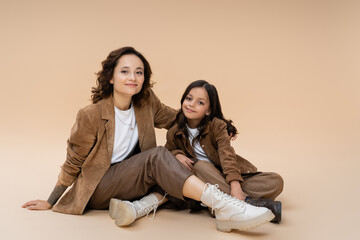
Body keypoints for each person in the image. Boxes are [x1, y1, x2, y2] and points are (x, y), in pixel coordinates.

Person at [22, 47, 275, 232]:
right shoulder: (90, 115)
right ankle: (227, 206)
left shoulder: (145, 103)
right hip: (99, 186)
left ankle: (225, 205)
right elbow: (73, 162)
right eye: (125, 71)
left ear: (144, 79)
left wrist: (216, 123)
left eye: (139, 72)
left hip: (133, 181)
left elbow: (179, 118)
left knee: (174, 166)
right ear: (111, 77)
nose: (133, 77)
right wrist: (51, 200)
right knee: (160, 156)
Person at [164, 80, 284, 223]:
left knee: (276, 181)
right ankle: (246, 202)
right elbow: (167, 151)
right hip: (204, 176)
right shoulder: (175, 131)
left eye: (200, 102)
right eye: (189, 98)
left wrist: (235, 185)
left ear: (209, 110)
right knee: (201, 165)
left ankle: (222, 204)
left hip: (227, 175)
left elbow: (227, 155)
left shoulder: (217, 126)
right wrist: (177, 154)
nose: (191, 104)